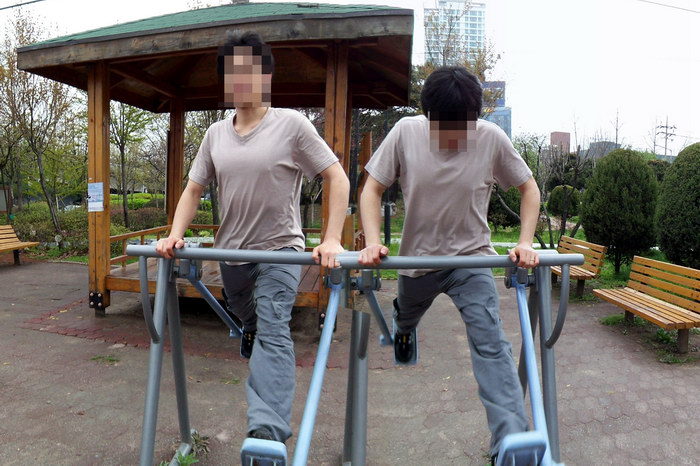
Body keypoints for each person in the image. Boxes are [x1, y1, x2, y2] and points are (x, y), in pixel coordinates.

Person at [156, 31, 350, 446]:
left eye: (251, 71)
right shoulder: (215, 134)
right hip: (233, 255)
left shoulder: (291, 125)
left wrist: (332, 238)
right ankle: (249, 328)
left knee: (274, 325)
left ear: (266, 76)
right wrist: (175, 235)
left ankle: (267, 433)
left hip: (281, 250)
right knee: (252, 317)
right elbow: (193, 189)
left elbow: (337, 177)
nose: (242, 80)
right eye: (233, 73)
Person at [358, 65, 541, 463]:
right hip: (417, 261)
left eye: (465, 127)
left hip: (470, 260)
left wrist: (525, 242)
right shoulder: (406, 133)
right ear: (429, 116)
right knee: (407, 315)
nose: (457, 137)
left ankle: (510, 443)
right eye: (447, 127)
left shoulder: (490, 138)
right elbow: (371, 189)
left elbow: (529, 188)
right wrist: (373, 242)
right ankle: (403, 329)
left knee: (491, 344)